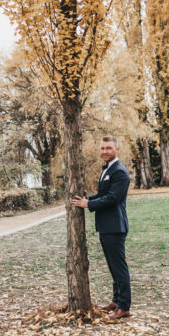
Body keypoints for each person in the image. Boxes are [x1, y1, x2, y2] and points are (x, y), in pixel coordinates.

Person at [71, 136, 132, 320]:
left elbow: (112, 199)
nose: (105, 151)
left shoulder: (120, 172)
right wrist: (88, 198)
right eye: (103, 148)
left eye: (109, 148)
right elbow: (103, 194)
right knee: (113, 266)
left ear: (117, 149)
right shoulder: (108, 169)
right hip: (106, 226)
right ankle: (116, 300)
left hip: (115, 226)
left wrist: (88, 204)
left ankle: (124, 306)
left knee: (119, 267)